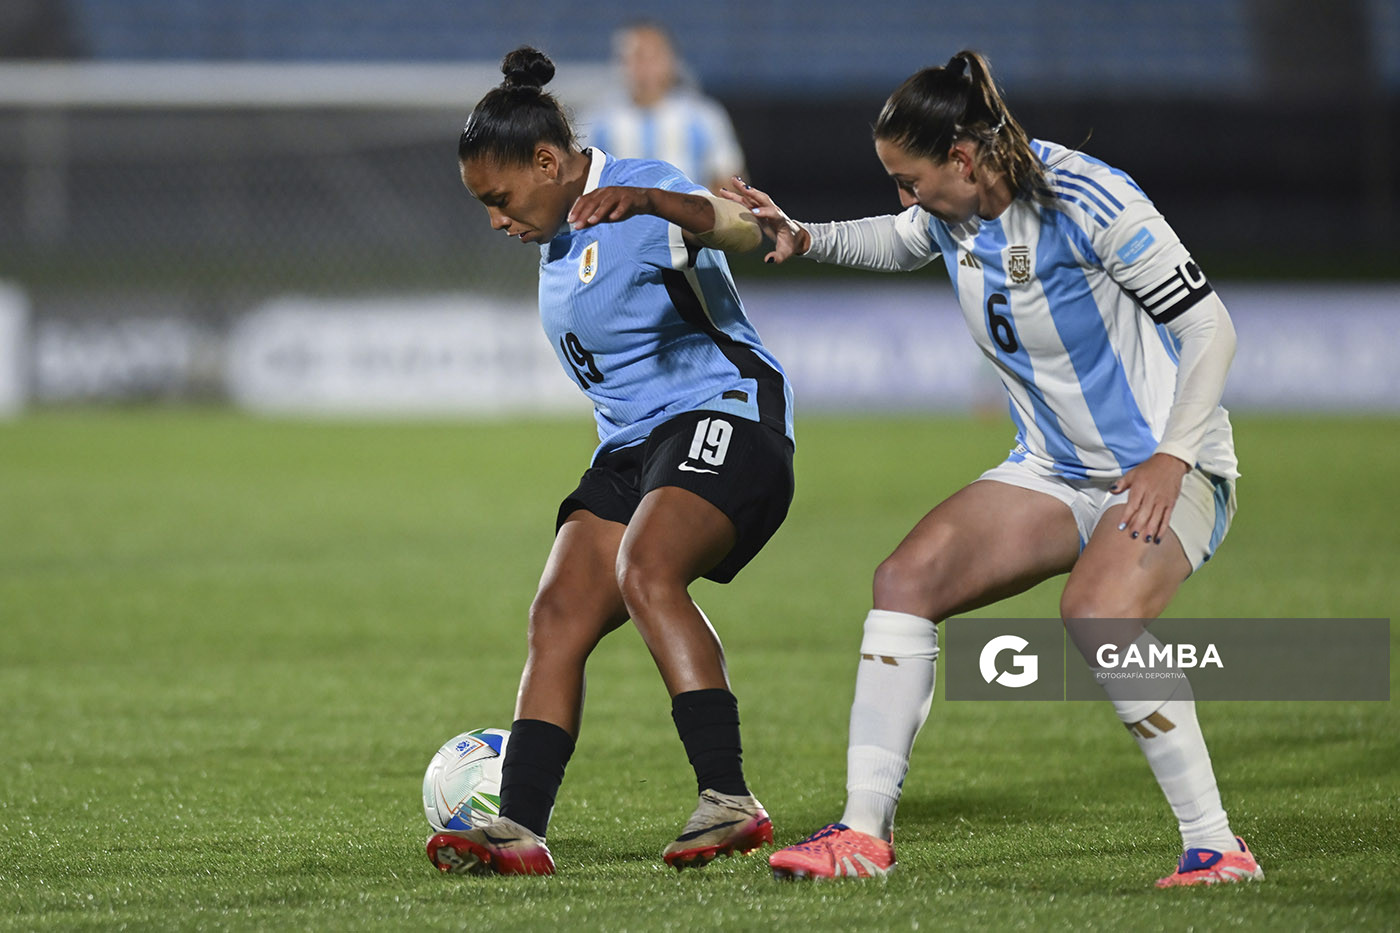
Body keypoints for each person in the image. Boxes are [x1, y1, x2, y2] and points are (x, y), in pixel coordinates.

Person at [725, 50, 1262, 888]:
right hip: (1052, 470)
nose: (906, 197)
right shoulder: (955, 208)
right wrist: (805, 234)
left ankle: (1218, 846)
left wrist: (1173, 455)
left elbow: (1211, 327)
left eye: (910, 179)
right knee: (905, 579)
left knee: (1097, 613)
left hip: (1165, 466)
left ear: (964, 160)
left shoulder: (1091, 198)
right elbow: (905, 238)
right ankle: (862, 835)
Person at [425, 47, 795, 877]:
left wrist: (662, 201)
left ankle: (729, 797)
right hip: (632, 449)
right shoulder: (559, 234)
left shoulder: (635, 194)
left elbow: (743, 230)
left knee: (646, 566)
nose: (495, 219)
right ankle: (518, 826)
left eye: (500, 198)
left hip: (728, 418)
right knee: (556, 614)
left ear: (549, 163)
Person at [583, 21, 745, 193]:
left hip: (689, 218)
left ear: (671, 59)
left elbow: (728, 177)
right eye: (636, 57)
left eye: (653, 57)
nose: (645, 67)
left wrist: (706, 214)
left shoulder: (704, 116)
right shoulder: (596, 120)